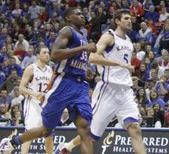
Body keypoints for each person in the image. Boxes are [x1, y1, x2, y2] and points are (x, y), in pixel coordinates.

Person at [0, 8, 96, 154]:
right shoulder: (67, 30)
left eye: (83, 13)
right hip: (64, 83)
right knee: (46, 130)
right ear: (68, 18)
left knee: (85, 129)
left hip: (80, 84)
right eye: (77, 13)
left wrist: (85, 67)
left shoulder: (83, 34)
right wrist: (84, 48)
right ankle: (13, 143)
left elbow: (74, 59)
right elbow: (55, 55)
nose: (82, 15)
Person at [55, 10, 144, 154]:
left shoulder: (128, 41)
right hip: (108, 89)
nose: (130, 20)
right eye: (126, 18)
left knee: (135, 129)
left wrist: (126, 74)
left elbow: (123, 64)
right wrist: (120, 65)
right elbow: (92, 58)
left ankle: (67, 147)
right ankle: (67, 147)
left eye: (130, 18)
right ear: (117, 21)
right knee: (91, 135)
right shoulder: (109, 36)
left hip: (125, 90)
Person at [18, 46, 54, 154]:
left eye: (48, 52)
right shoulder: (31, 68)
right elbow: (21, 88)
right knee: (29, 133)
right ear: (38, 55)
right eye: (44, 52)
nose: (47, 54)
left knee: (48, 135)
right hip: (32, 103)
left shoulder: (50, 69)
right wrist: (35, 94)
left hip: (45, 105)